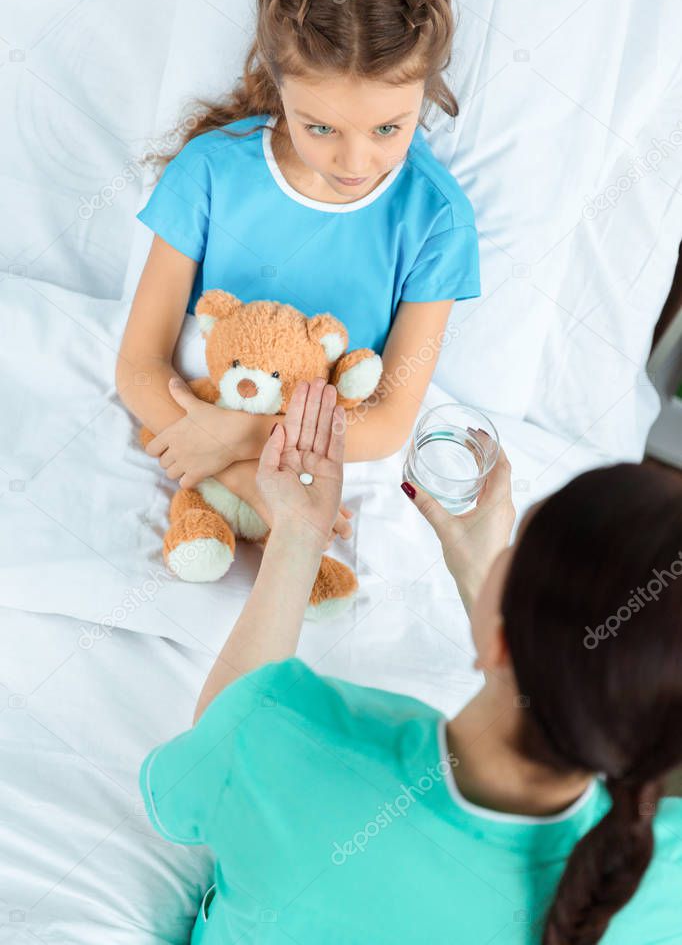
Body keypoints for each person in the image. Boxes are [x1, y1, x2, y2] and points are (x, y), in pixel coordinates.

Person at [139, 378, 682, 945]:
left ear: (500, 640)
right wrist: (493, 600)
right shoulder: (663, 884)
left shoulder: (286, 737)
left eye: (514, 548)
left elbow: (213, 757)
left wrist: (298, 534)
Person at [115, 0, 480, 538]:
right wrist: (243, 481)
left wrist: (248, 436)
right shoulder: (209, 171)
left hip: (324, 451)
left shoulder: (436, 218)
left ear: (425, 95)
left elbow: (389, 421)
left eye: (389, 127)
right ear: (279, 85)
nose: (356, 159)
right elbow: (139, 365)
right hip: (206, 422)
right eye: (321, 126)